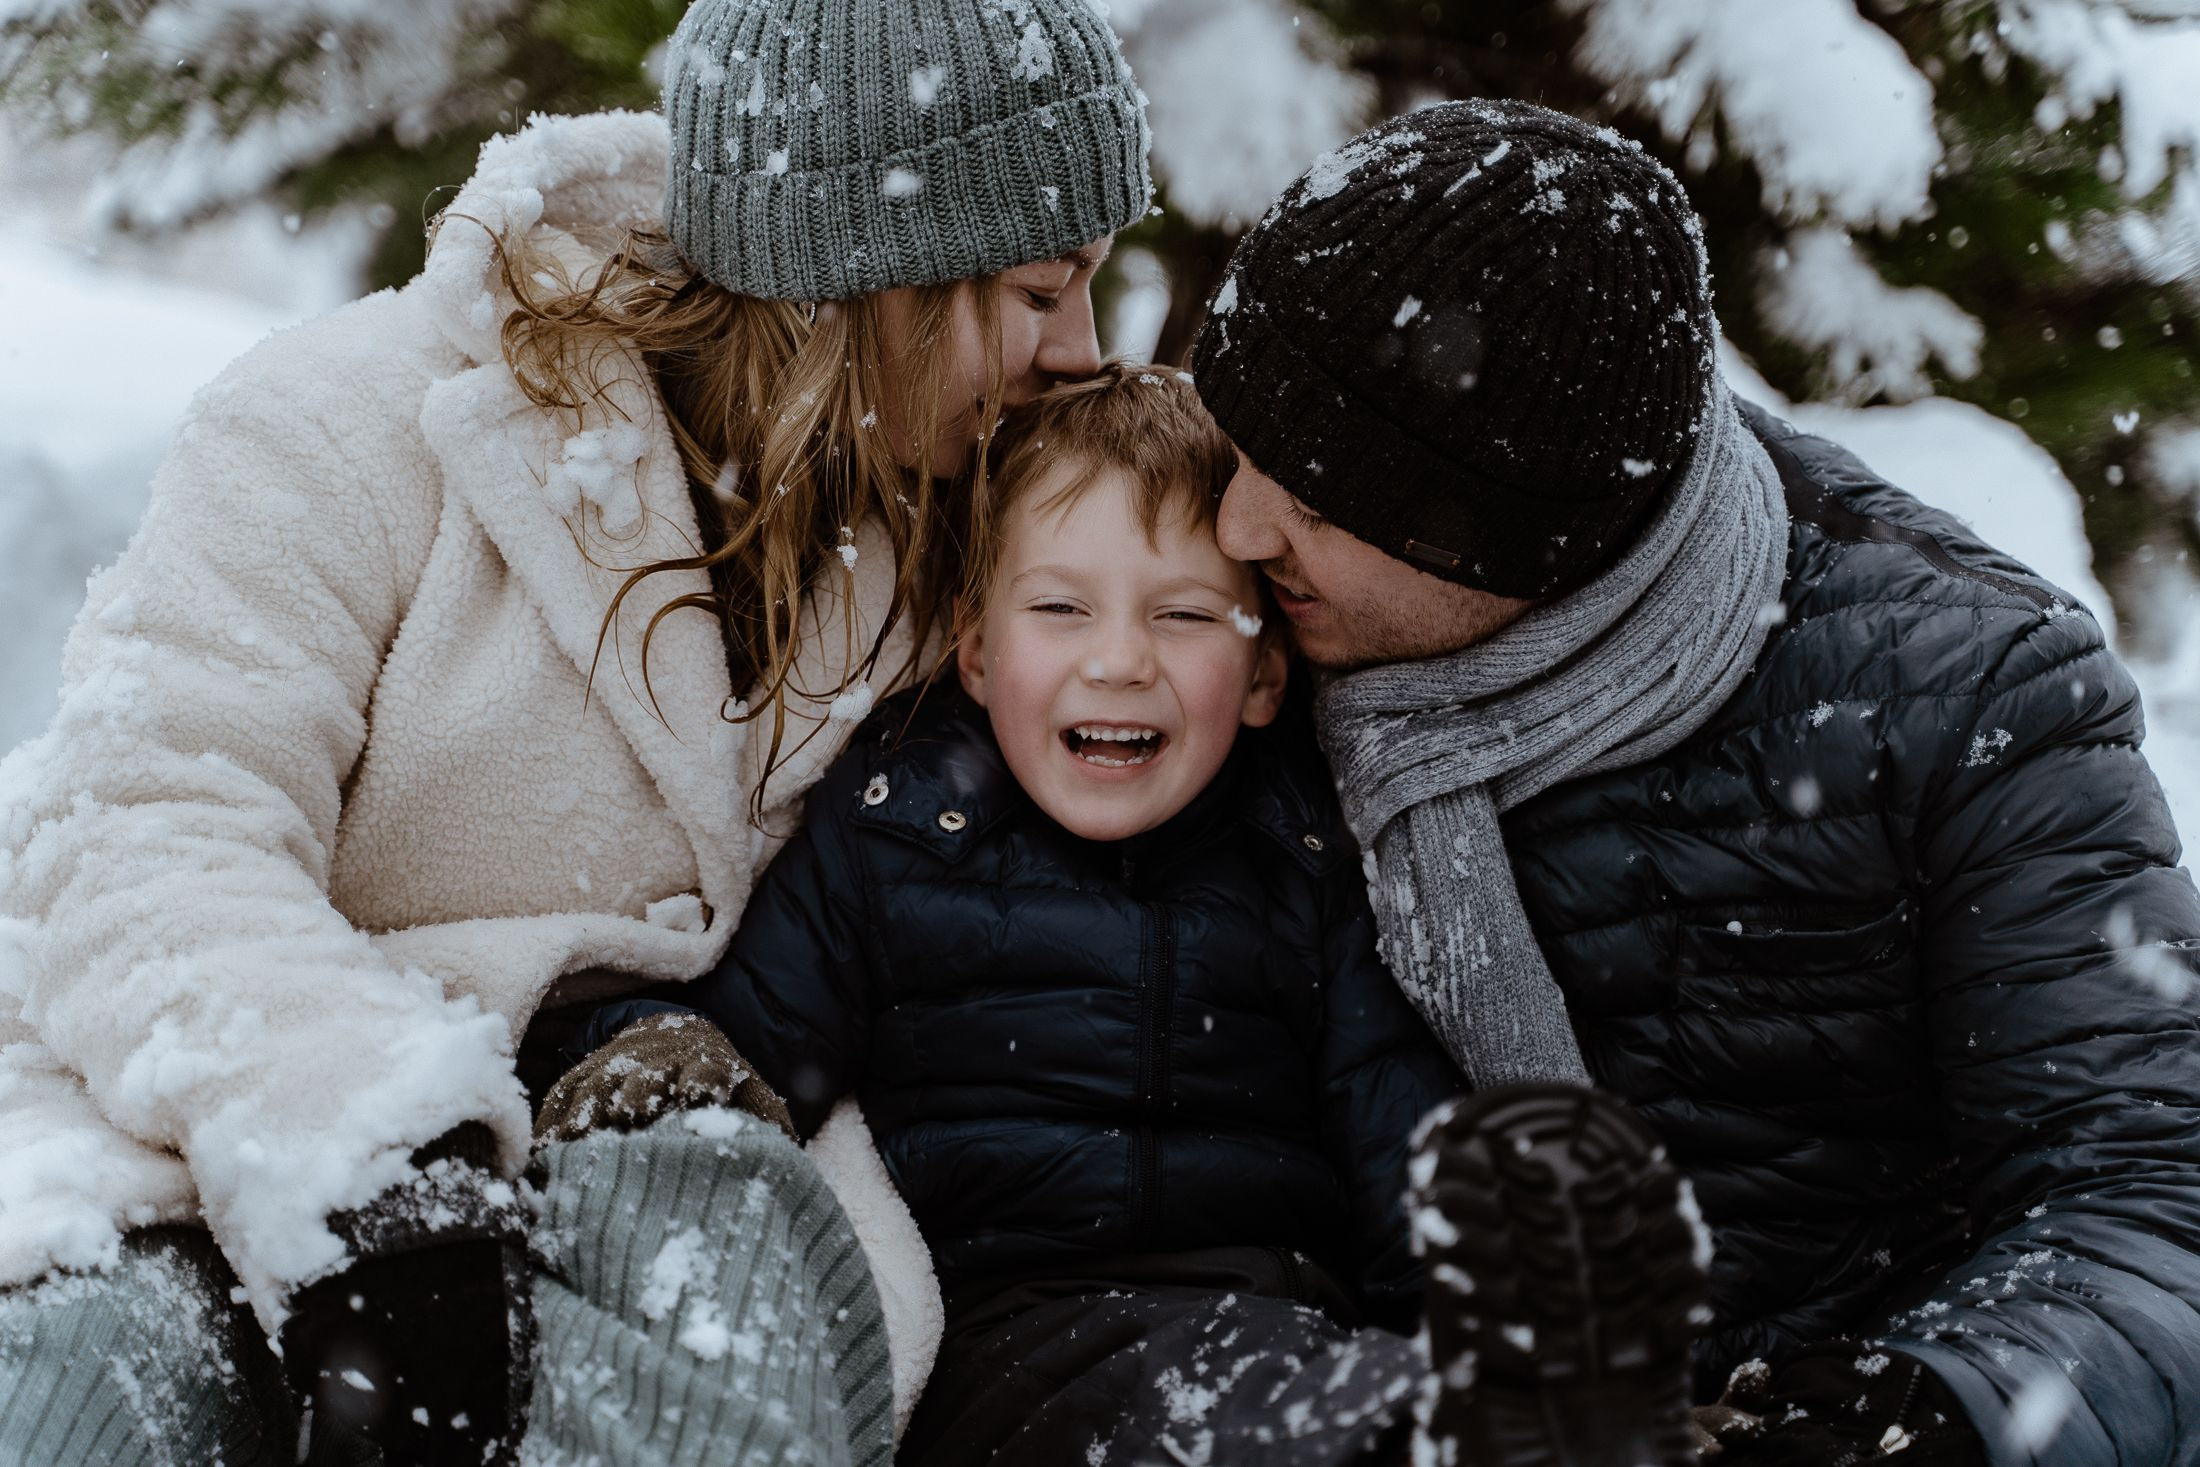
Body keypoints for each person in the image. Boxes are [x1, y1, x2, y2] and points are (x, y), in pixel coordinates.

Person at [0, 0, 1152, 1461]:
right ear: (868, 275)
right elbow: (137, 818)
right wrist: (375, 1174)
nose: (1082, 351)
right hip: (223, 1094)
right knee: (73, 1394)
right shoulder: (354, 423)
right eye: (1044, 292)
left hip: (683, 1156)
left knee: (704, 1410)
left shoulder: (990, 532)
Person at [1188, 100, 2200, 1467]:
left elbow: (2149, 1180)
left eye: (1316, 493)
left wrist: (1926, 1411)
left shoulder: (1968, 695)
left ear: (1513, 538)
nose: (1236, 523)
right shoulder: (1197, 635)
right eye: (1235, 442)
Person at [539, 361, 1505, 1465]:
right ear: (980, 649)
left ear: (1262, 676)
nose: (1118, 660)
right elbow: (752, 1042)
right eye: (1059, 609)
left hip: (1282, 1327)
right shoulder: (898, 828)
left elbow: (1405, 1153)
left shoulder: (1304, 851)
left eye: (1184, 615)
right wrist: (657, 1057)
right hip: (1010, 1351)